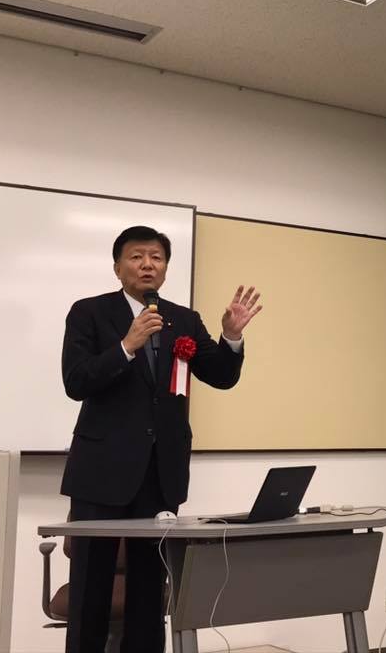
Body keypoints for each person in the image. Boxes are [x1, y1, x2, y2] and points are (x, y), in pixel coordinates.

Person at [60, 225, 262, 653]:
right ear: (118, 267)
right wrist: (126, 345)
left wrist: (231, 337)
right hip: (100, 472)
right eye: (136, 256)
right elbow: (76, 381)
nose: (147, 264)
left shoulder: (183, 319)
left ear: (166, 268)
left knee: (150, 589)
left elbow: (221, 376)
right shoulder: (89, 312)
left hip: (160, 472)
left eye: (156, 257)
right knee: (91, 590)